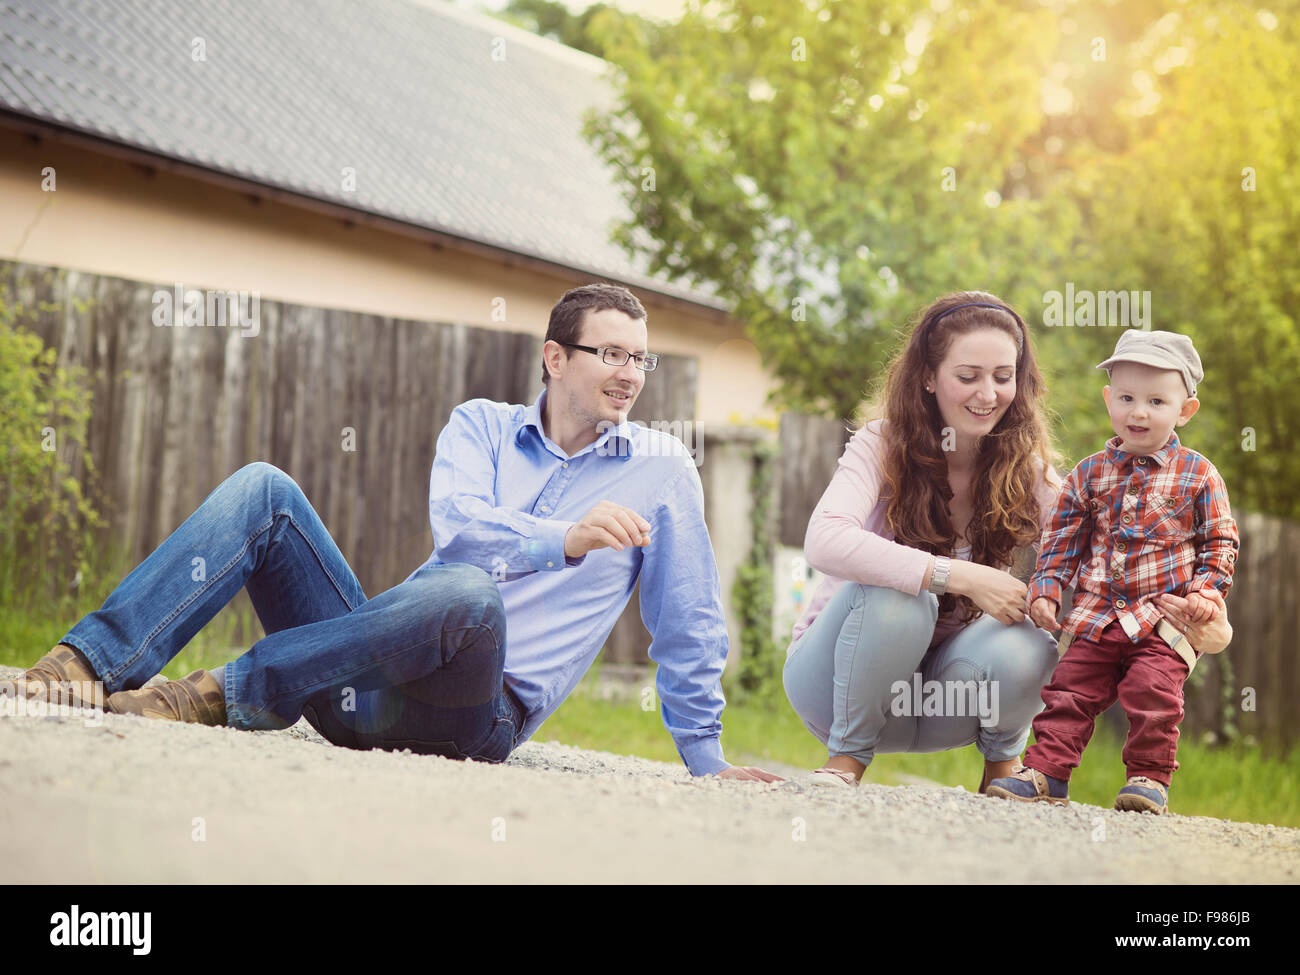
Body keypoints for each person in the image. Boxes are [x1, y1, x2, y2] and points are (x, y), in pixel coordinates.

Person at [8, 283, 781, 783]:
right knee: (265, 489)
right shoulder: (479, 426)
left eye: (639, 357)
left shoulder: (662, 469)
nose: (631, 373)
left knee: (471, 600)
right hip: (361, 672)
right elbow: (462, 531)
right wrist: (564, 538)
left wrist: (707, 760)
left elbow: (689, 619)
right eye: (610, 352)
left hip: (476, 709)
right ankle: (81, 664)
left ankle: (216, 694)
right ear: (554, 356)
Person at [782, 293, 1234, 792]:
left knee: (1031, 638)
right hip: (833, 688)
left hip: (936, 706)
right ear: (928, 377)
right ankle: (846, 759)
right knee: (902, 599)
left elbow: (1108, 555)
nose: (987, 393)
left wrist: (1212, 627)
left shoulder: (1026, 471)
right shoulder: (881, 444)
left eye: (1003, 376)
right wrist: (962, 576)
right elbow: (825, 540)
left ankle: (1005, 770)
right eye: (968, 375)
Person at [986, 330, 1238, 814]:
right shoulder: (1088, 474)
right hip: (1098, 617)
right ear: (1109, 400)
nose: (1138, 412)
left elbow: (1220, 540)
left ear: (1185, 410)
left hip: (1165, 620)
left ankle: (1148, 779)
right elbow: (1062, 538)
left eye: (1156, 401)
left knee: (1153, 696)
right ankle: (1046, 773)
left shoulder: (1198, 475)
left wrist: (1207, 589)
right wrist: (1047, 586)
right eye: (1126, 398)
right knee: (1068, 691)